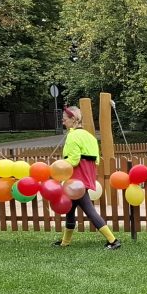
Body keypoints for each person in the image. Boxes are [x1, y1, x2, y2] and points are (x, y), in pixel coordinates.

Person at [54, 106, 122, 250]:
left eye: (64, 119)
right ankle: (65, 242)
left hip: (75, 179)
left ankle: (113, 240)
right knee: (70, 210)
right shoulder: (90, 136)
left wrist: (59, 167)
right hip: (86, 176)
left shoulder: (73, 136)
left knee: (89, 210)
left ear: (73, 119)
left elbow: (73, 160)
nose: (63, 121)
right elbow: (96, 160)